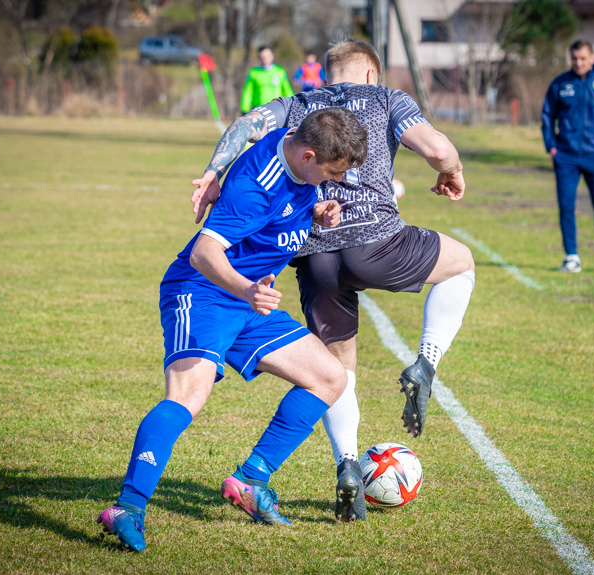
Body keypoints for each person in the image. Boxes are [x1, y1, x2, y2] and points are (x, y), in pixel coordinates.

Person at [191, 37, 475, 523]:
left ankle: (347, 465)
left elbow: (245, 125)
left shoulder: (302, 105)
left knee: (340, 368)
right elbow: (436, 147)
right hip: (375, 241)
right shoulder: (388, 99)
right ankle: (425, 364)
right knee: (462, 263)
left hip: (316, 253)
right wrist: (451, 170)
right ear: (371, 74)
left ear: (328, 74)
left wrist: (214, 171)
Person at [96, 107, 368, 551]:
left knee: (329, 377)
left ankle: (249, 481)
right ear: (308, 155)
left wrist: (316, 211)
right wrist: (246, 291)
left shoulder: (297, 150)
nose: (335, 179)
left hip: (248, 298)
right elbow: (205, 252)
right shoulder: (254, 190)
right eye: (331, 172)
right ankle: (128, 506)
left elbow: (249, 129)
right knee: (189, 395)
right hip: (203, 291)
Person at [541, 39, 594, 274]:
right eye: (574, 58)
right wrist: (551, 147)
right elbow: (547, 116)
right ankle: (572, 258)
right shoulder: (560, 84)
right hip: (566, 157)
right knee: (566, 207)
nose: (578, 63)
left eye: (582, 58)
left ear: (592, 58)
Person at [240, 46, 293, 114]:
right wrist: (244, 108)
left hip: (277, 109)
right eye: (262, 57)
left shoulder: (280, 72)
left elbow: (287, 90)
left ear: (272, 56)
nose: (264, 59)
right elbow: (248, 92)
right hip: (258, 109)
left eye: (266, 56)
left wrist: (292, 105)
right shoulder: (253, 73)